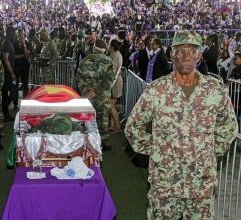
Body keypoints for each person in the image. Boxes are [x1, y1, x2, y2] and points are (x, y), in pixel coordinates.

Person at [125, 30, 238, 219]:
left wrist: (209, 151)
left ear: (200, 55)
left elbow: (228, 127)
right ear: (171, 54)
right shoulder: (156, 90)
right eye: (180, 50)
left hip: (200, 184)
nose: (186, 55)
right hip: (165, 184)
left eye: (192, 50)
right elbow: (133, 128)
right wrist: (157, 149)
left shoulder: (215, 90)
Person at [76, 39, 116, 151]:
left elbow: (78, 78)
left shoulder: (84, 60)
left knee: (87, 119)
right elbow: (109, 80)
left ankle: (87, 144)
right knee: (102, 120)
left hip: (87, 98)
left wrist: (86, 91)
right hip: (102, 97)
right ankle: (101, 144)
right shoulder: (108, 61)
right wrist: (97, 91)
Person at [108, 39, 123, 133]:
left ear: (112, 47)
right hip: (116, 81)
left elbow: (113, 70)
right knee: (112, 105)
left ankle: (117, 126)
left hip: (114, 82)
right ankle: (113, 125)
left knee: (111, 105)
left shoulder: (115, 55)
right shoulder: (116, 54)